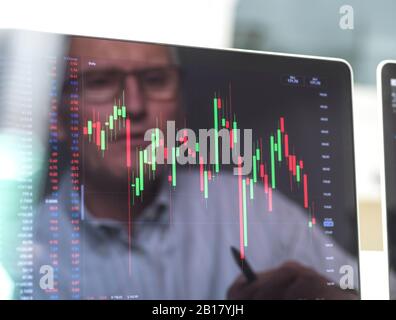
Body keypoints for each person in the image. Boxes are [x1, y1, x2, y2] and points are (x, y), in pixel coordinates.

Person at [31, 37, 358, 300]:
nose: (134, 106)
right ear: (58, 116)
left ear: (181, 108)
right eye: (101, 81)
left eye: (156, 80)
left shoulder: (251, 209)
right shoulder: (23, 252)